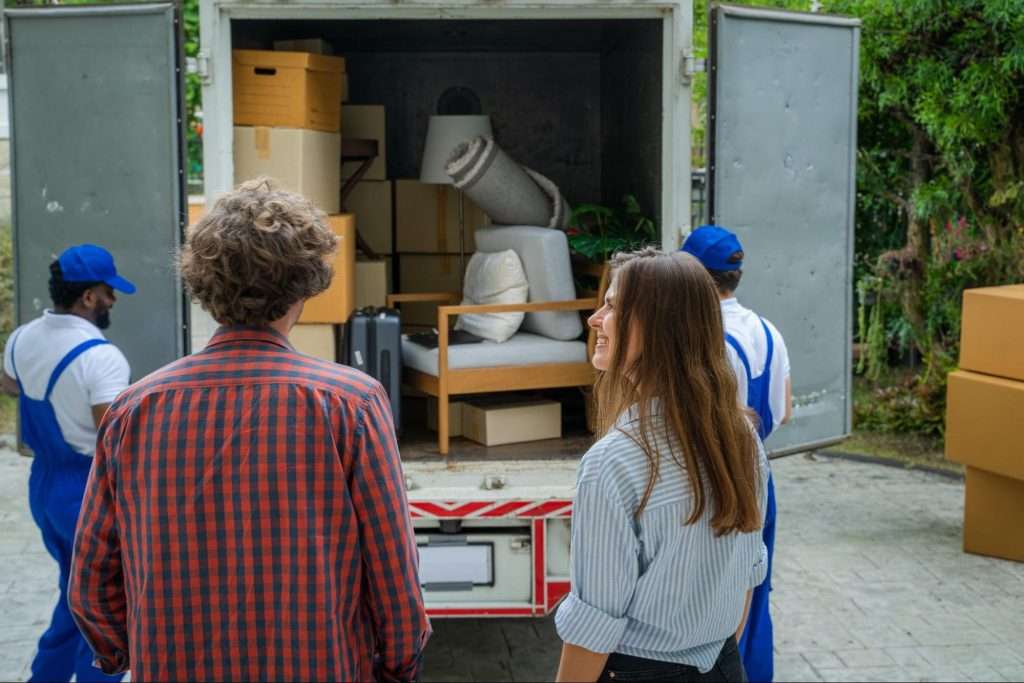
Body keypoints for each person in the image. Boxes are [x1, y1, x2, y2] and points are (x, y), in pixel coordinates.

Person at [68, 179, 431, 682]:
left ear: (204, 287)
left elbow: (90, 583)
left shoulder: (135, 410)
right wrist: (395, 667)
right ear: (304, 285)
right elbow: (394, 579)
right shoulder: (352, 404)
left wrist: (132, 654)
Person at [555, 248, 769, 683]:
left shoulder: (612, 463)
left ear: (656, 327)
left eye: (613, 306)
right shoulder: (742, 437)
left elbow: (593, 625)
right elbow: (747, 575)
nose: (595, 318)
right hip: (723, 667)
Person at [1, 244, 134, 683]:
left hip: (43, 488)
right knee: (108, 609)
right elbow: (114, 441)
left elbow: (12, 386)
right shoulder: (101, 357)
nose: (114, 300)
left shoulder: (22, 337)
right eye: (109, 291)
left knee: (72, 592)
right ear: (89, 297)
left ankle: (47, 676)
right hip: (84, 492)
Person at [681, 225, 793, 683]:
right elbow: (783, 410)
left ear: (694, 277)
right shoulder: (770, 332)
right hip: (758, 476)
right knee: (755, 591)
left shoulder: (696, 338)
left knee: (706, 604)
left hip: (708, 477)